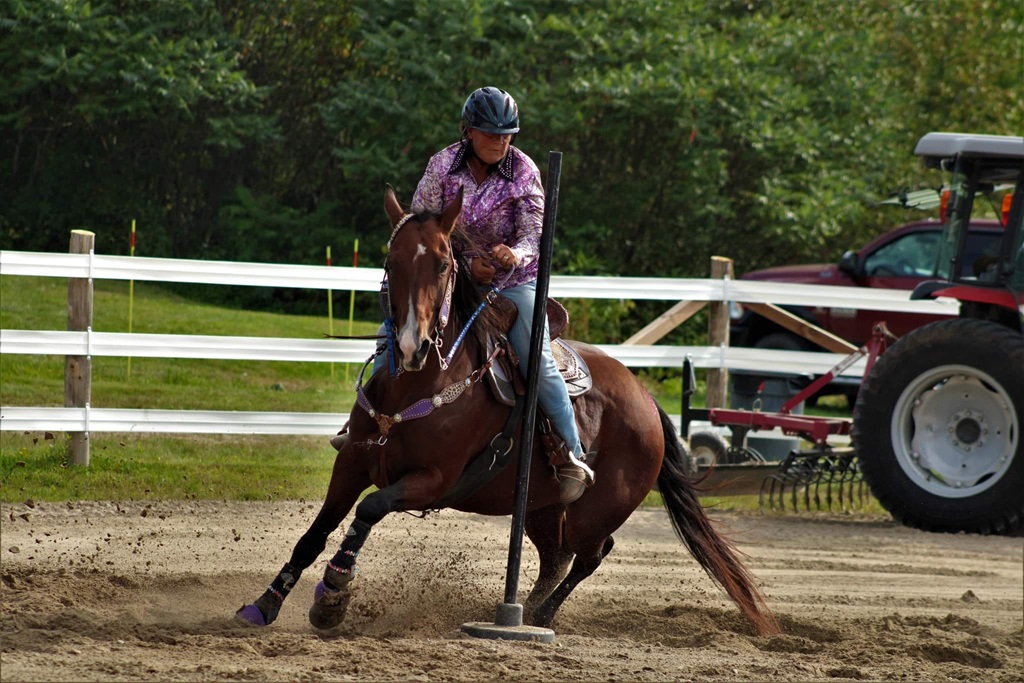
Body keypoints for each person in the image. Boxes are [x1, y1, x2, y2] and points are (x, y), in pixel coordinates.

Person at [362, 86, 595, 504]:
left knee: (537, 359)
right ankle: (363, 427)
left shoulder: (524, 171)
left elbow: (534, 233)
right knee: (390, 335)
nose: (500, 141)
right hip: (452, 275)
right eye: (490, 133)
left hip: (514, 282)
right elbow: (422, 227)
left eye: (507, 134)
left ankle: (570, 453)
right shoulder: (441, 166)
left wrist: (514, 254)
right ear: (468, 131)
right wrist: (468, 264)